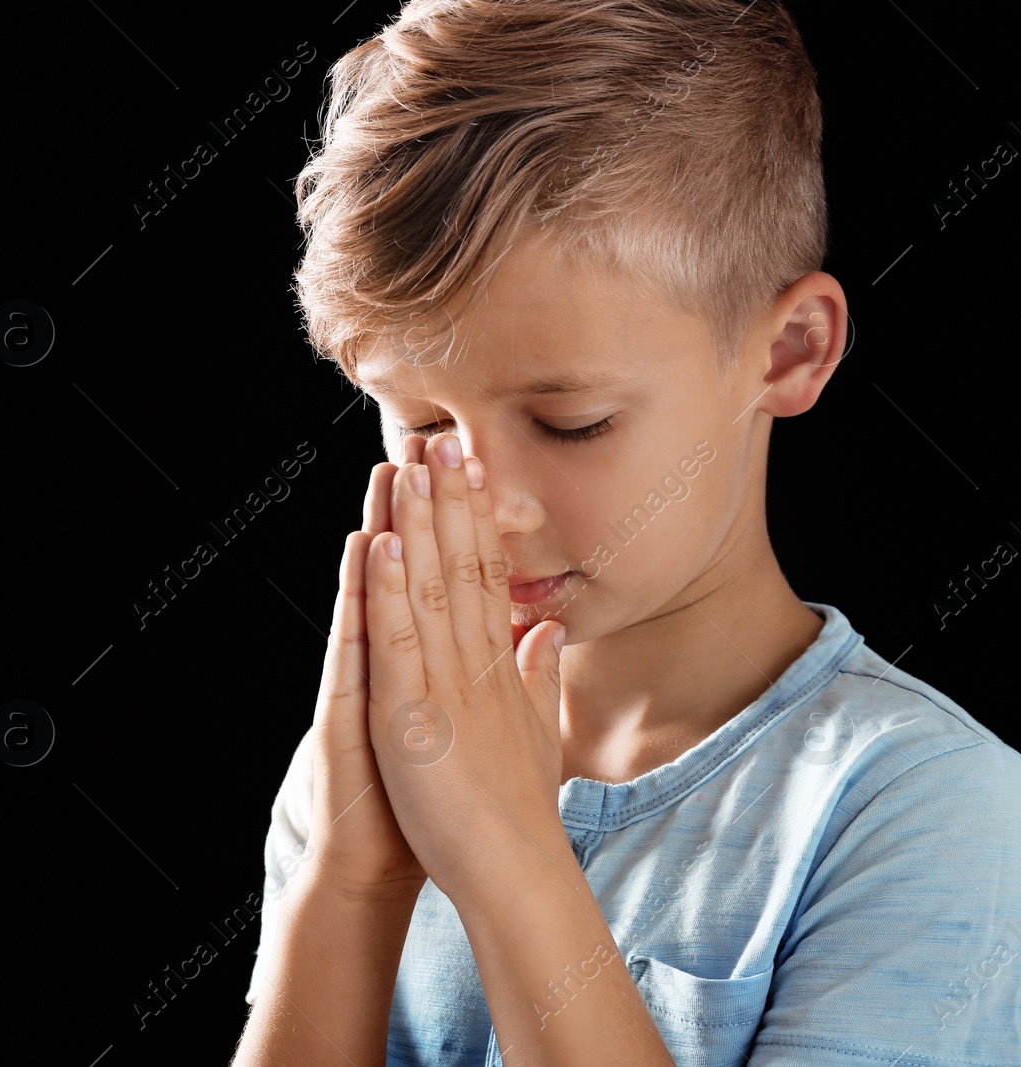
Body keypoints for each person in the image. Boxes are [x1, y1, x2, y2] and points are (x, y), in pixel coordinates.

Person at [230, 2, 1021, 1064]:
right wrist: (348, 880)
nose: (488, 499)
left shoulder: (925, 811)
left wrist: (508, 854)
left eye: (571, 422)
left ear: (788, 349)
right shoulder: (370, 762)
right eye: (420, 420)